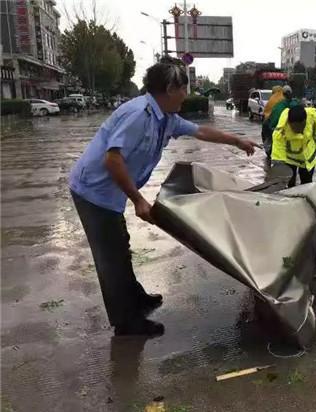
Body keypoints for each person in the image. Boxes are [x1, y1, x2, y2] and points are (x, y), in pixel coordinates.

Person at [69, 63, 259, 336]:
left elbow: (201, 131)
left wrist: (236, 141)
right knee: (110, 256)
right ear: (170, 89)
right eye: (184, 89)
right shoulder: (138, 115)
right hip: (93, 191)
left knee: (120, 245)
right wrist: (138, 200)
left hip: (108, 191)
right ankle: (126, 322)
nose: (185, 94)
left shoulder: (166, 117)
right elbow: (112, 160)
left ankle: (135, 297)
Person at [271, 104, 316, 187]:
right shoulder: (281, 130)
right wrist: (280, 167)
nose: (299, 130)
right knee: (289, 184)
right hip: (290, 159)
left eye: (302, 127)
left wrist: (315, 149)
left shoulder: (313, 118)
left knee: (307, 185)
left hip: (308, 158)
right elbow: (278, 151)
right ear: (289, 123)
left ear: (305, 120)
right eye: (295, 128)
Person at [260, 86, 284, 160]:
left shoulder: (271, 100)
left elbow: (265, 113)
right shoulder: (284, 99)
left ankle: (269, 152)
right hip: (281, 124)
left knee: (268, 138)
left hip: (269, 123)